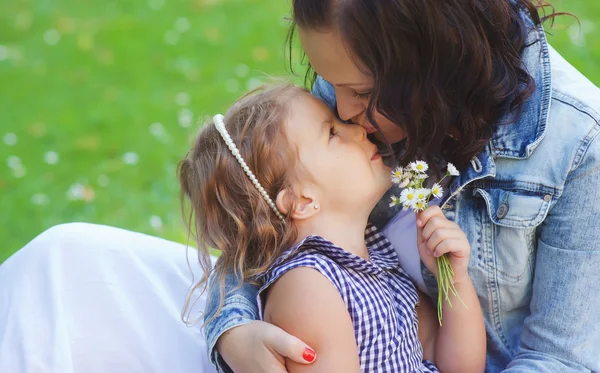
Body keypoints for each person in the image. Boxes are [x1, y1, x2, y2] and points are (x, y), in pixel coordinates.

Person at [206, 0, 600, 372]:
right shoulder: (352, 77)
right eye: (328, 83)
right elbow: (256, 219)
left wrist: (454, 282)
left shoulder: (577, 143)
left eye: (361, 92)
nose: (342, 112)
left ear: (434, 62)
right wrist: (232, 330)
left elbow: (561, 359)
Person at [177, 83, 486, 372]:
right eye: (333, 133)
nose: (357, 131)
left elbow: (455, 365)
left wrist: (455, 280)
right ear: (301, 200)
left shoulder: (377, 253)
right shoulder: (307, 287)